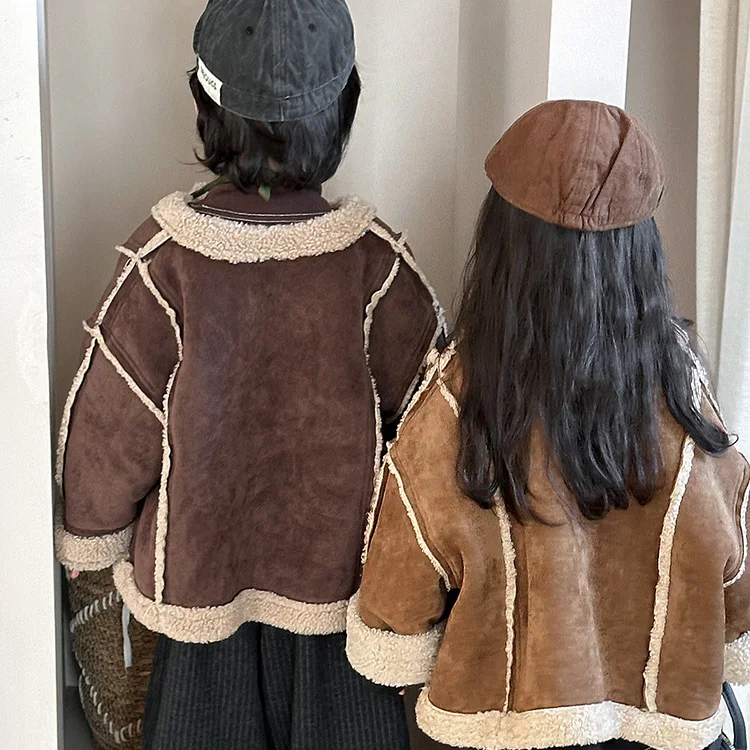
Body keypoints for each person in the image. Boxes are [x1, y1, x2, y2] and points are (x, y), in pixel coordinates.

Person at [54, 1, 444, 748]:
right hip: (342, 599)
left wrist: (90, 536)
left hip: (201, 586)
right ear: (346, 108)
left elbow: (111, 419)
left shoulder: (164, 265)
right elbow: (433, 431)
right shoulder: (377, 270)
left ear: (205, 109)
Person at [347, 99, 750, 750]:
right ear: (642, 251)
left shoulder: (457, 401)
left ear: (502, 244)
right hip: (661, 731)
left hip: (493, 732)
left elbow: (397, 602)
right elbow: (734, 582)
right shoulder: (684, 398)